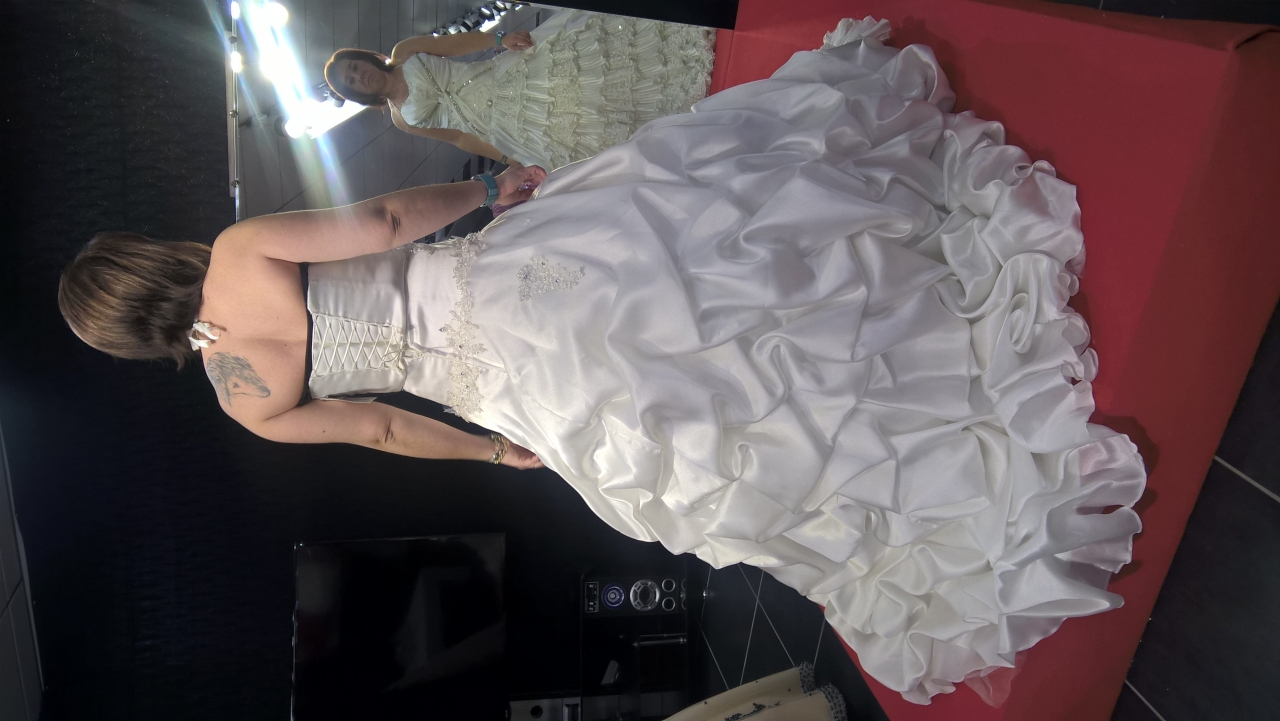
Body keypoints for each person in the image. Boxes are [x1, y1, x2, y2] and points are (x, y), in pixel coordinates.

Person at [60, 18, 1146, 705]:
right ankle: (904, 270)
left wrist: (495, 451)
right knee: (689, 252)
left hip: (497, 388)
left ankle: (916, 397)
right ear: (142, 260)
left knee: (695, 401)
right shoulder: (239, 252)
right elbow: (383, 219)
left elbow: (384, 428)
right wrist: (483, 190)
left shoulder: (242, 404)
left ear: (130, 338)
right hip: (492, 285)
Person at [323, 9, 715, 171]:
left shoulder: (404, 52)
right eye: (351, 82)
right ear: (355, 94)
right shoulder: (401, 120)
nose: (359, 77)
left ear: (364, 59)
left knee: (581, 76)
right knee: (579, 126)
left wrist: (499, 39)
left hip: (503, 77)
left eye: (355, 67)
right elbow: (458, 137)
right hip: (503, 126)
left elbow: (456, 45)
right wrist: (508, 157)